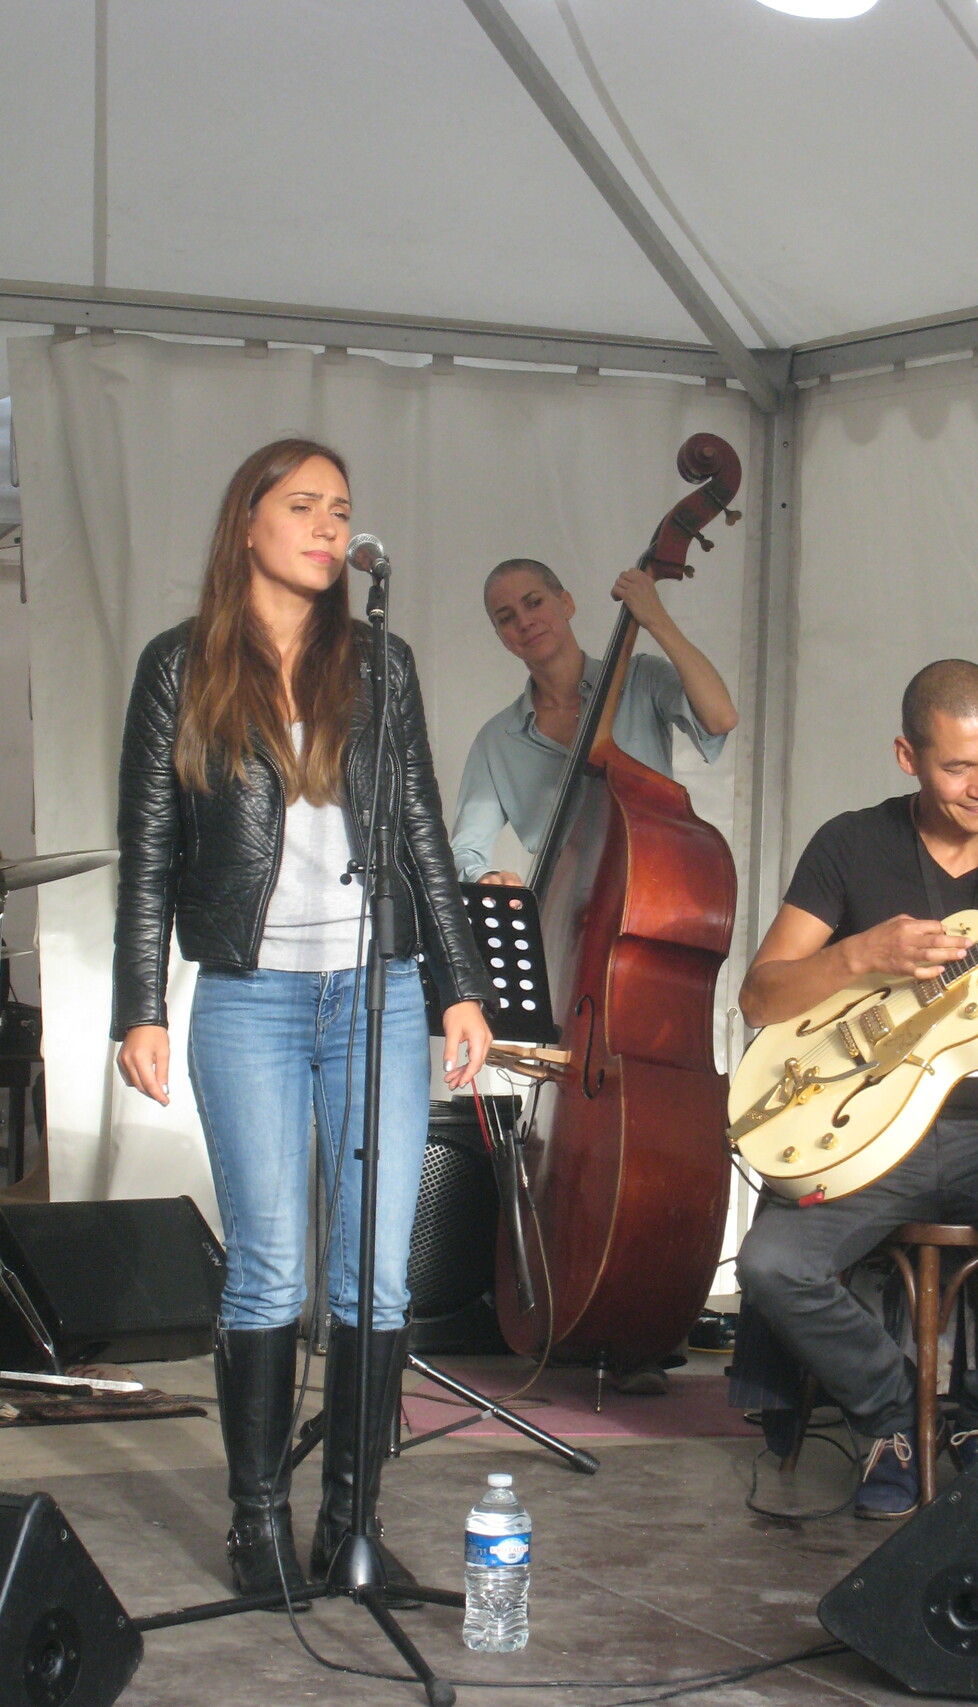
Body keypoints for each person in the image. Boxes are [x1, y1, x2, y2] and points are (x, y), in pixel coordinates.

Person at [112, 438, 493, 1604]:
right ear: (249, 523)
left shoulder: (380, 662)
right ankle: (258, 1525)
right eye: (303, 507)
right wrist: (139, 1007)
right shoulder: (180, 665)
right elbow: (148, 846)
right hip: (250, 995)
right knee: (269, 1266)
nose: (329, 528)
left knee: (374, 1277)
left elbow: (420, 824)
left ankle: (352, 1529)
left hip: (375, 990)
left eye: (341, 509)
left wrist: (458, 983)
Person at [735, 659, 978, 1518]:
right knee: (770, 1264)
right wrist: (860, 953)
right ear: (907, 757)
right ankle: (892, 1417)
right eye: (958, 767)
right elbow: (759, 996)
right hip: (872, 1134)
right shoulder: (851, 844)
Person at [449, 558, 738, 885]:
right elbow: (465, 851)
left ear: (566, 604)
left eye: (534, 603)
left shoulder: (641, 679)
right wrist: (486, 876)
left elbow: (720, 718)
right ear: (502, 637)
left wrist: (656, 618)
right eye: (506, 618)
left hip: (653, 888)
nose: (524, 622)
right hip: (560, 906)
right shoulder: (497, 739)